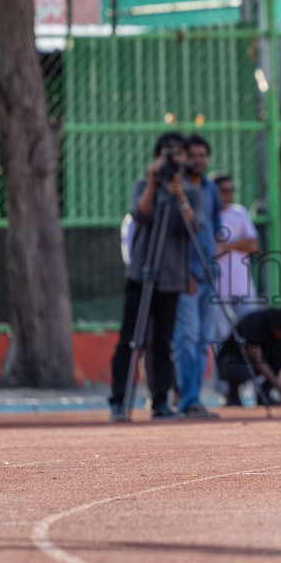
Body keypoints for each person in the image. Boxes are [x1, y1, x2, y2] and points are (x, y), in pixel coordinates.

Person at [109, 132, 203, 422]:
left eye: (178, 152)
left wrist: (180, 195)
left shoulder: (191, 192)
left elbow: (194, 226)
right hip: (142, 273)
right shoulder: (143, 185)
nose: (173, 157)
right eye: (167, 152)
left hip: (171, 277)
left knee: (162, 342)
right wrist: (152, 182)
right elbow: (140, 214)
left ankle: (160, 402)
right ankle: (119, 402)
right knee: (130, 339)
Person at [171, 134, 221, 419]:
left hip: (209, 273)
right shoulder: (178, 187)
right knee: (186, 338)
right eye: (193, 156)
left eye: (203, 155)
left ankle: (194, 398)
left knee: (203, 341)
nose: (198, 160)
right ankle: (186, 399)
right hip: (186, 276)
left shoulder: (211, 187)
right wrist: (184, 271)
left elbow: (213, 227)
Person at [215, 307, 281, 407]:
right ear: (277, 327)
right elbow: (257, 360)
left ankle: (264, 395)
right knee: (237, 371)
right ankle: (233, 395)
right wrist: (280, 387)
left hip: (257, 360)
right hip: (232, 360)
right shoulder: (255, 322)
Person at [211, 172, 260, 332]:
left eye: (231, 190)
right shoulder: (207, 215)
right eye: (224, 190)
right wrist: (240, 243)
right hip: (217, 288)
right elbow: (210, 251)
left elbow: (253, 245)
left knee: (252, 333)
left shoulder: (240, 212)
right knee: (221, 338)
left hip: (243, 286)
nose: (229, 194)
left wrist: (225, 245)